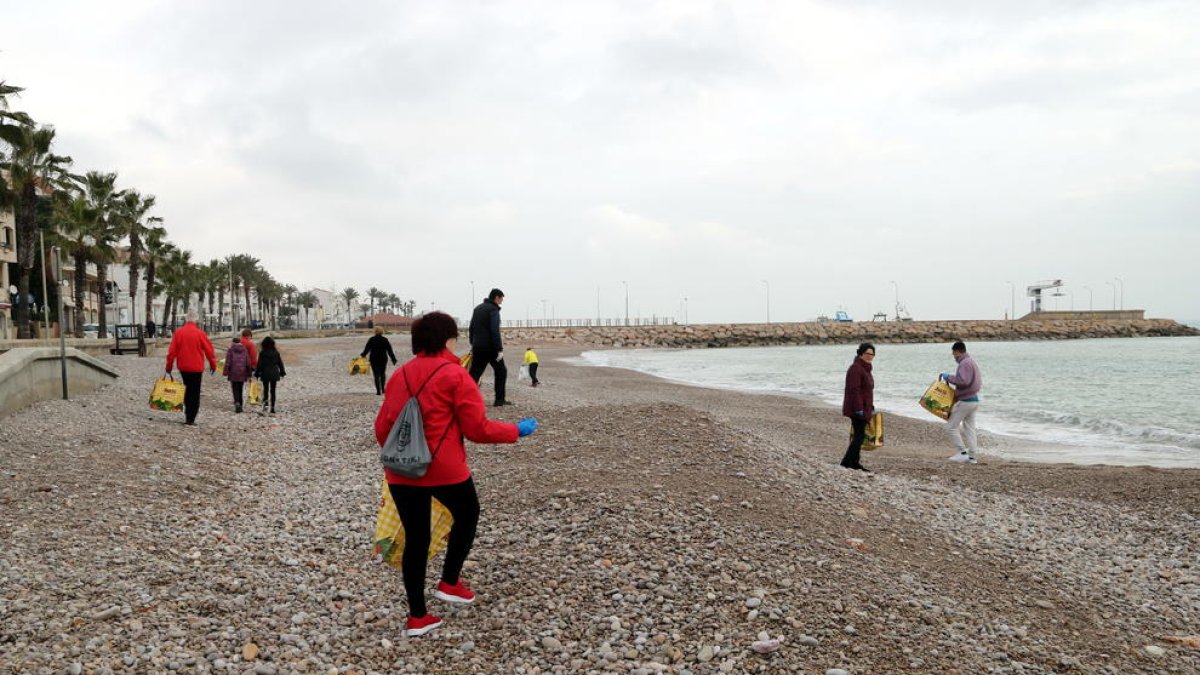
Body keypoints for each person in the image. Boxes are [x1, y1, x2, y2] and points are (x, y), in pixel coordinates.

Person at [374, 311, 539, 637]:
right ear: (447, 339)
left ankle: (417, 617)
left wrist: (403, 460)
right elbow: (477, 429)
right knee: (468, 513)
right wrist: (515, 430)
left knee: (416, 540)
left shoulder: (399, 375)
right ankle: (449, 581)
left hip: (401, 471)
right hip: (445, 469)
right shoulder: (455, 375)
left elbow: (383, 428)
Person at [164, 311, 217, 425]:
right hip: (197, 368)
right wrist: (213, 365)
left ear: (185, 320)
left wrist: (169, 366)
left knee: (187, 389)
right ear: (196, 320)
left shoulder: (179, 333)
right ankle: (191, 417)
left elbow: (171, 352)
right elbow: (209, 351)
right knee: (195, 391)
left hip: (183, 367)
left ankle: (188, 415)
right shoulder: (200, 333)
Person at [941, 341, 983, 464]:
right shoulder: (971, 362)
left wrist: (948, 377)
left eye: (953, 353)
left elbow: (963, 381)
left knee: (950, 427)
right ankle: (972, 457)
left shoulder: (964, 363)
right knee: (969, 429)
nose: (953, 356)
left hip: (965, 401)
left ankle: (962, 453)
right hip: (974, 400)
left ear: (957, 351)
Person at [468, 288, 510, 406]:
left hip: (478, 347)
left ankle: (464, 398)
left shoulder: (477, 308)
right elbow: (494, 330)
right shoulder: (493, 310)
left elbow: (471, 328)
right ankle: (499, 400)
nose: (501, 301)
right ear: (496, 297)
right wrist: (499, 349)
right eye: (501, 299)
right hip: (491, 349)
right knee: (501, 371)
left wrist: (473, 343)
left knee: (474, 374)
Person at [840, 343, 876, 472]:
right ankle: (847, 462)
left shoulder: (866, 369)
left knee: (859, 436)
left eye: (872, 354)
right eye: (867, 354)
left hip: (865, 407)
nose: (869, 356)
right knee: (859, 436)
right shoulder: (855, 368)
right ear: (860, 353)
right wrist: (859, 409)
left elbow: (867, 391)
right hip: (857, 408)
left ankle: (854, 462)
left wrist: (871, 407)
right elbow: (853, 390)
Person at [361, 326, 398, 395]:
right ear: (382, 331)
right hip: (383, 359)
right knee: (382, 373)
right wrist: (393, 359)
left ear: (375, 331)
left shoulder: (371, 339)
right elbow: (390, 351)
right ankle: (383, 389)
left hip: (374, 359)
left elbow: (367, 349)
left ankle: (378, 391)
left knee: (376, 375)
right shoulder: (385, 340)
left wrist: (363, 355)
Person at [254, 336, 286, 414]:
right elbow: (280, 363)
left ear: (264, 344)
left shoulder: (262, 353)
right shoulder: (276, 352)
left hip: (265, 373)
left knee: (265, 390)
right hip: (274, 373)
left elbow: (259, 364)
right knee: (273, 391)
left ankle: (265, 406)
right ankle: (273, 408)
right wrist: (282, 372)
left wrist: (257, 373)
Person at [223, 337, 253, 413]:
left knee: (234, 388)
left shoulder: (230, 349)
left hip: (233, 372)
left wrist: (225, 371)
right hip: (242, 372)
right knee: (240, 388)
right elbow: (248, 362)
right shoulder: (244, 349)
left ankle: (237, 402)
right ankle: (241, 404)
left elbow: (228, 361)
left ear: (233, 342)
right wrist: (249, 373)